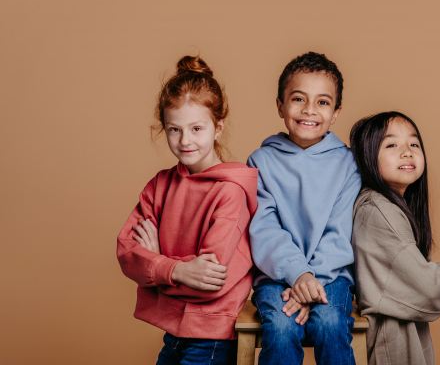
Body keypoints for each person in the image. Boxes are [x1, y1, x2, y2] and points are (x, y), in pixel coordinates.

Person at [116, 55, 258, 365]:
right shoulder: (160, 185)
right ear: (163, 128)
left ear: (217, 127)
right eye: (174, 129)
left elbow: (208, 286)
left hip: (212, 339)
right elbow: (126, 254)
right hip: (172, 333)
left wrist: (153, 266)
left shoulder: (230, 192)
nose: (185, 141)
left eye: (196, 128)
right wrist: (177, 269)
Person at [247, 52, 362, 365]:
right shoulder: (261, 162)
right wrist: (298, 275)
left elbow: (340, 233)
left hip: (331, 274)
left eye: (323, 102)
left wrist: (312, 280)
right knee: (282, 329)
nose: (310, 110)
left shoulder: (348, 164)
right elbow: (265, 228)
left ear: (336, 112)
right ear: (280, 105)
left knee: (329, 323)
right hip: (276, 275)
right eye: (298, 99)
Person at [349, 111, 440, 365]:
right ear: (368, 158)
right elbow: (433, 291)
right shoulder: (379, 211)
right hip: (391, 344)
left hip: (401, 339)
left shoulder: (389, 208)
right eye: (391, 144)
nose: (407, 151)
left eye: (414, 143)